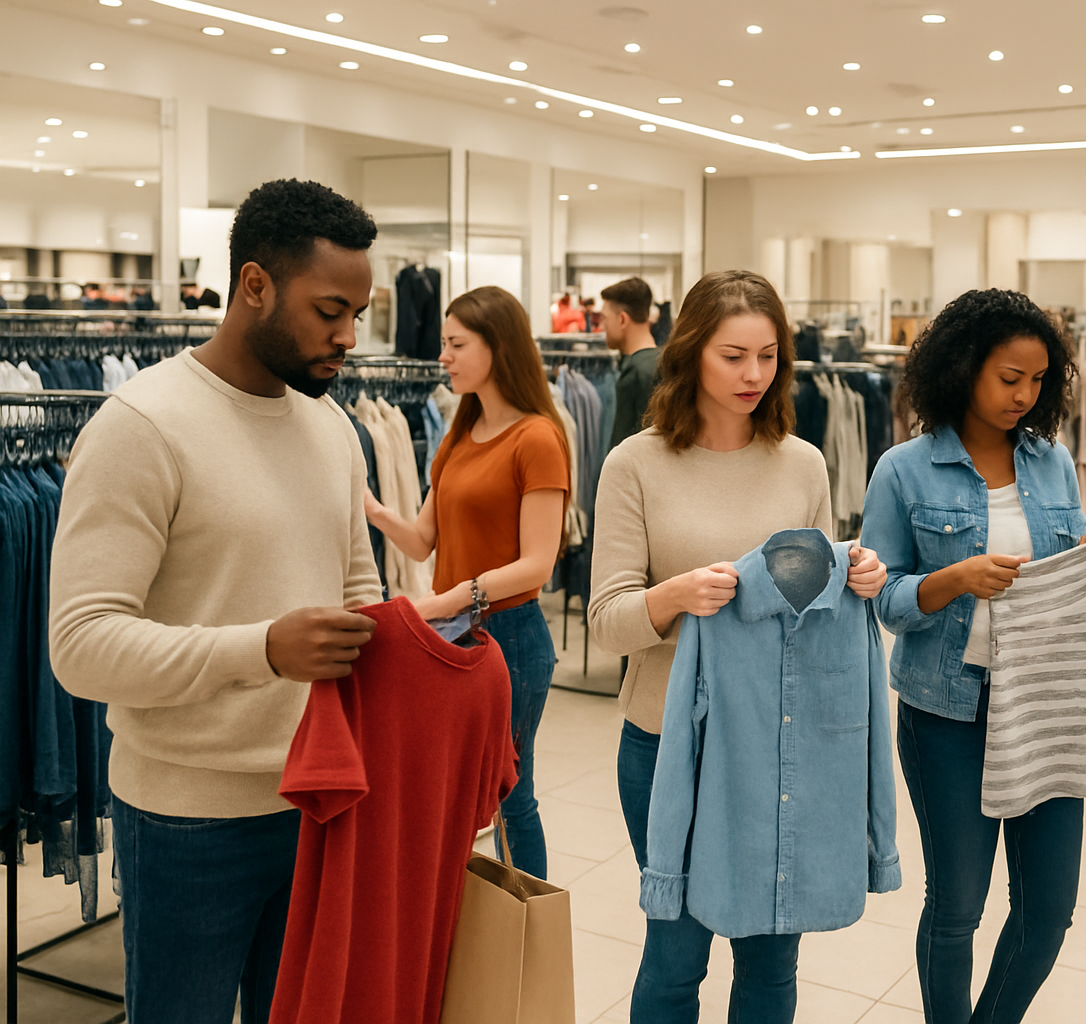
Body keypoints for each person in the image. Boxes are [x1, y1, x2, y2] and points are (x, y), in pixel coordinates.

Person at [48, 178, 382, 1023]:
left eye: (359, 316)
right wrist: (262, 649)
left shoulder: (334, 428)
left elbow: (358, 596)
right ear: (255, 285)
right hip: (185, 818)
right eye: (330, 311)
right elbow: (81, 645)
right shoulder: (141, 425)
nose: (347, 338)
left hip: (320, 805)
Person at [589, 270, 888, 1024]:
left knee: (770, 955)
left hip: (778, 745)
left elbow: (815, 597)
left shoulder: (803, 462)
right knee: (676, 953)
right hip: (666, 745)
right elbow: (605, 619)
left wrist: (861, 577)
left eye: (768, 355)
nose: (754, 374)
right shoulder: (635, 464)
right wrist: (673, 598)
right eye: (733, 356)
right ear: (689, 353)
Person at [860, 289, 1086, 1024]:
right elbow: (883, 599)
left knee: (1049, 910)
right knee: (957, 907)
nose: (1024, 394)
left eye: (1038, 380)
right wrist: (950, 580)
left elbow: (1067, 572)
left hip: (1042, 707)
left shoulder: (1053, 464)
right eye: (1009, 376)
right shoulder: (904, 471)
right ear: (963, 367)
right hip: (946, 710)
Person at [363, 285, 570, 880]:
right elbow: (424, 540)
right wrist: (373, 510)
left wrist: (448, 599)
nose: (444, 357)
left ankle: (526, 927)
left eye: (456, 344)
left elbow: (538, 563)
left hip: (509, 638)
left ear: (497, 347)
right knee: (453, 792)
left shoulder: (537, 438)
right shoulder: (459, 431)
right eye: (444, 345)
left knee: (511, 793)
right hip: (451, 638)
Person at [601, 275, 660, 448]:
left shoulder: (635, 375)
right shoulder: (663, 363)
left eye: (605, 318)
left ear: (622, 319)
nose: (602, 326)